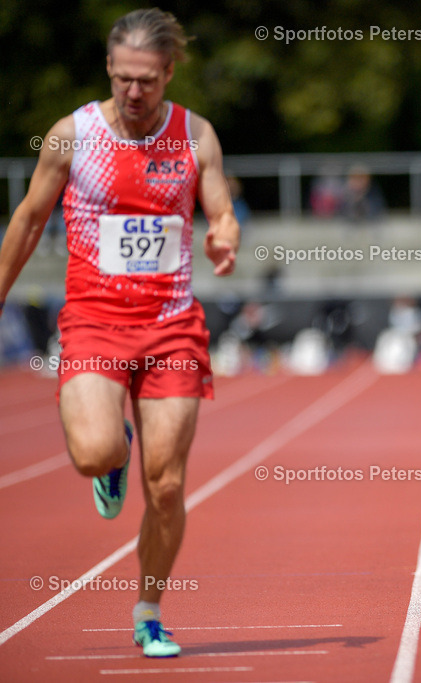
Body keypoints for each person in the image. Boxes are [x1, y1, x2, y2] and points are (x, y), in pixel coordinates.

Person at [0, 8, 239, 655]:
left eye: (148, 81)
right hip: (94, 323)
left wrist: (223, 236)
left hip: (172, 329)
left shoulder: (196, 134)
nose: (135, 93)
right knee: (93, 452)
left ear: (168, 73)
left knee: (166, 485)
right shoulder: (70, 136)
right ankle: (115, 449)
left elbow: (221, 209)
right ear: (110, 67)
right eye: (124, 78)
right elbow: (25, 222)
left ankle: (149, 608)